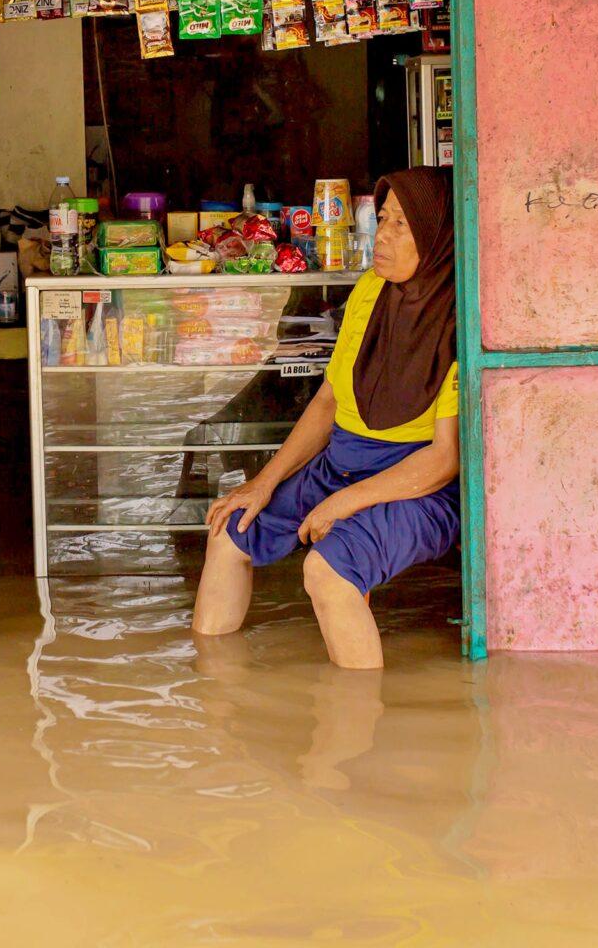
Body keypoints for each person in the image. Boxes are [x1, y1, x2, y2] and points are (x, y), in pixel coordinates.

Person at [192, 167, 460, 669]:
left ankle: (356, 724)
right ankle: (213, 699)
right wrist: (264, 482)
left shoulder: (457, 318)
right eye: (382, 219)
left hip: (417, 484)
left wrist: (344, 503)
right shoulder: (369, 291)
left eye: (403, 225)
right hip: (342, 462)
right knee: (230, 530)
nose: (383, 234)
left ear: (438, 234)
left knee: (327, 572)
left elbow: (445, 460)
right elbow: (327, 403)